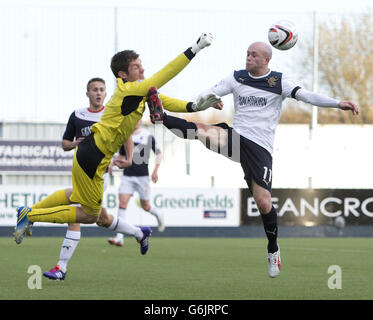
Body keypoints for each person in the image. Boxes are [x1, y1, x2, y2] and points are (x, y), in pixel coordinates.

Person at [147, 41, 359, 278]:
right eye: (247, 53)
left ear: (266, 60)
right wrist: (210, 99)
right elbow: (204, 94)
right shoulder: (237, 78)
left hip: (260, 150)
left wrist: (337, 103)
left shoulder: (278, 82)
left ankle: (273, 249)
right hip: (237, 139)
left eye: (253, 55)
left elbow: (307, 96)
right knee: (201, 131)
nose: (248, 58)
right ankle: (161, 117)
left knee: (264, 203)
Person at [13, 32, 221, 257]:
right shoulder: (129, 89)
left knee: (78, 199)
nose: (142, 70)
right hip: (93, 154)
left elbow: (168, 103)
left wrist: (196, 106)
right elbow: (165, 74)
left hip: (93, 154)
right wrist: (195, 48)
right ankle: (30, 215)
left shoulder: (139, 91)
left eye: (141, 65)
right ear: (123, 74)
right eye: (136, 67)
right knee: (90, 215)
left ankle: (32, 214)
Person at [41, 77, 131, 280]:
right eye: (94, 90)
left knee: (76, 213)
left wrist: (124, 158)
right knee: (102, 219)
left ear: (106, 93)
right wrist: (75, 144)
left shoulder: (112, 114)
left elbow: (126, 138)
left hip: (100, 175)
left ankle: (61, 266)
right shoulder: (77, 115)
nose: (98, 93)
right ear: (87, 93)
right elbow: (64, 143)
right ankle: (139, 233)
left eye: (101, 89)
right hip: (80, 173)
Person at [108, 119, 164, 247]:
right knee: (122, 204)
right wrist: (112, 164)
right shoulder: (126, 135)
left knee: (146, 206)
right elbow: (122, 155)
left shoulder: (147, 135)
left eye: (138, 119)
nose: (136, 121)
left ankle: (159, 214)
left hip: (142, 177)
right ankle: (119, 238)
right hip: (127, 176)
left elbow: (159, 154)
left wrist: (156, 170)